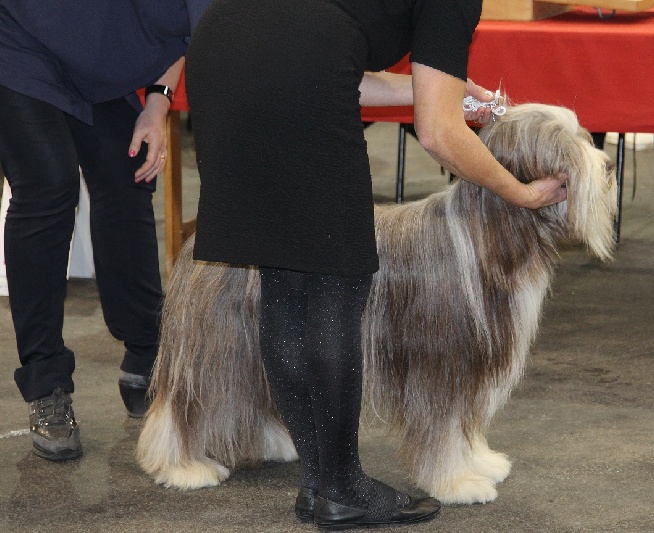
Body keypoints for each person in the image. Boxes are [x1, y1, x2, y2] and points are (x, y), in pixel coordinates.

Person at [185, 0, 568, 529]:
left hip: (221, 48)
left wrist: (442, 88)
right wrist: (520, 192)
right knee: (334, 286)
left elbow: (332, 65)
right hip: (285, 63)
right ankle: (341, 488)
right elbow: (440, 135)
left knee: (285, 278)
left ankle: (322, 485)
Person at [0, 0, 209, 461]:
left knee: (127, 169)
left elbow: (192, 33)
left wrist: (157, 105)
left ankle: (145, 352)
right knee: (48, 184)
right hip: (18, 37)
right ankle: (46, 381)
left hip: (93, 64)